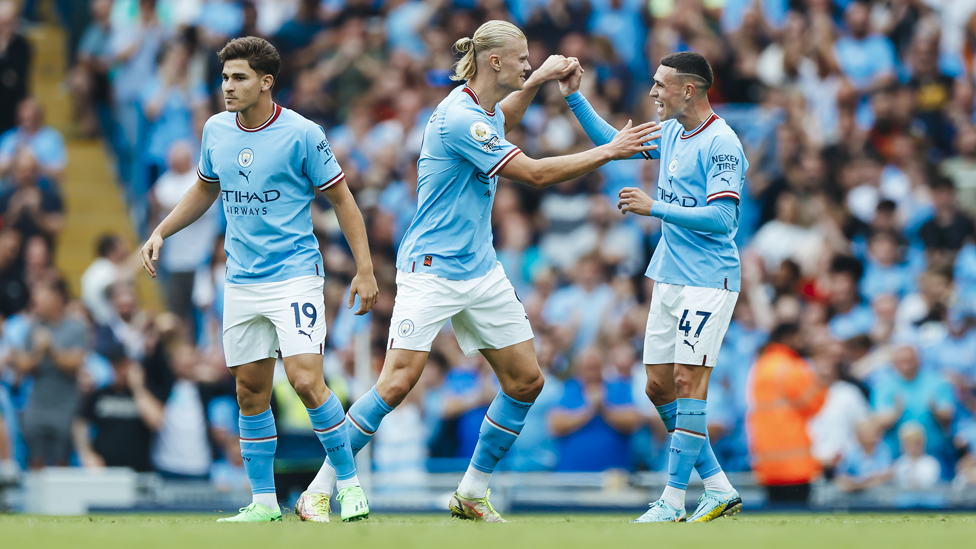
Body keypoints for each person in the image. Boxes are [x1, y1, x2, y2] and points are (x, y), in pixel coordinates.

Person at [309, 20, 655, 523]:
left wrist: (537, 82)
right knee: (397, 383)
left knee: (525, 382)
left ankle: (471, 491)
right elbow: (534, 173)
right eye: (522, 57)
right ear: (495, 61)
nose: (527, 63)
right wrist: (609, 150)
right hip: (430, 269)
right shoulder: (458, 118)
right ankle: (320, 489)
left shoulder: (481, 110)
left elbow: (502, 119)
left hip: (480, 269)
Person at [140, 36, 378, 524]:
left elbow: (343, 201)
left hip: (294, 276)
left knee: (307, 380)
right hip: (241, 281)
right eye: (225, 77)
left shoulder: (303, 134)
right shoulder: (215, 130)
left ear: (266, 82)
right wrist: (161, 230)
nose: (227, 86)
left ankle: (350, 487)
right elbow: (205, 189)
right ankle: (264, 502)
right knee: (250, 391)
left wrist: (366, 268)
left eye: (239, 77)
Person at [560, 51, 746, 522]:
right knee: (658, 386)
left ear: (689, 89)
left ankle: (673, 499)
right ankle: (720, 487)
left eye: (660, 84)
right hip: (668, 275)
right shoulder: (670, 133)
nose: (652, 92)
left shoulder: (722, 143)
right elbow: (615, 142)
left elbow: (723, 218)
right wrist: (575, 99)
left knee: (687, 383)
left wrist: (655, 208)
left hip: (708, 279)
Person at [747, 323, 827, 506]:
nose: (803, 342)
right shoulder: (791, 367)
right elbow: (815, 405)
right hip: (795, 462)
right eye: (799, 337)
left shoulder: (760, 366)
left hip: (767, 462)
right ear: (788, 339)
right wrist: (821, 382)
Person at [12, 279, 88, 469]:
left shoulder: (76, 327)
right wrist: (39, 352)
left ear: (57, 298)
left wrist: (51, 350)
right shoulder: (34, 327)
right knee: (35, 460)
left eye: (41, 295)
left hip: (65, 406)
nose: (36, 300)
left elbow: (75, 364)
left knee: (62, 462)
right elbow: (23, 365)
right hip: (37, 405)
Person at [72, 338, 162, 472]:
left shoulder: (147, 393)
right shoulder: (100, 394)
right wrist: (87, 453)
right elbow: (79, 424)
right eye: (116, 365)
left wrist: (137, 387)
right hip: (106, 473)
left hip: (139, 473)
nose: (120, 370)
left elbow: (157, 422)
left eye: (125, 364)